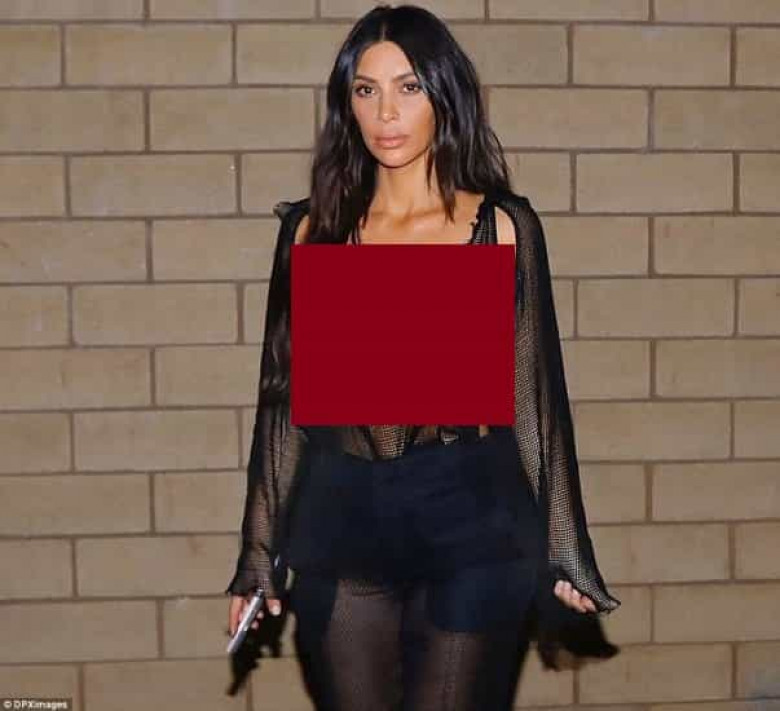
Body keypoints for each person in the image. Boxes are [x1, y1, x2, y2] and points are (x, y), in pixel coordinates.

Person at [226, 4, 621, 708]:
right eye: (366, 90)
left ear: (443, 94)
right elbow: (283, 405)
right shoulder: (314, 229)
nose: (387, 112)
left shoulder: (497, 226)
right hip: (342, 522)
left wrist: (566, 549)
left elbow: (535, 404)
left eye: (408, 87)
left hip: (470, 523)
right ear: (346, 104)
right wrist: (257, 556)